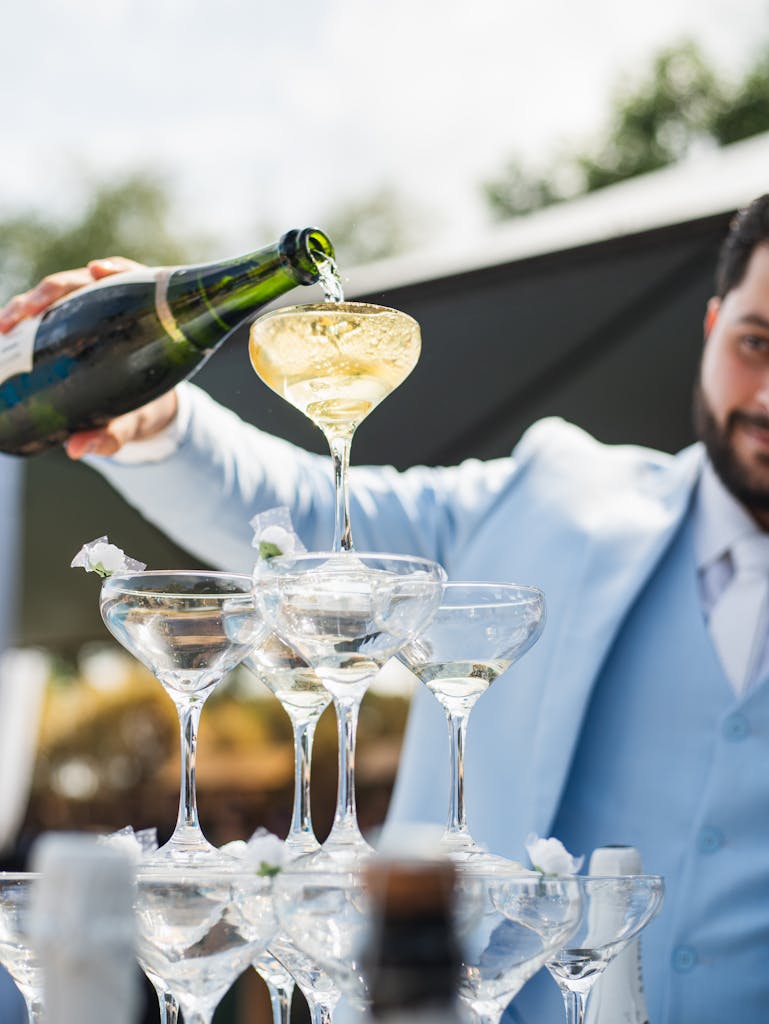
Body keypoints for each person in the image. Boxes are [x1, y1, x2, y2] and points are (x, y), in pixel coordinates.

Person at [4, 196, 769, 1022]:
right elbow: (312, 526)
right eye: (756, 342)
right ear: (710, 324)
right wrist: (160, 418)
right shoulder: (556, 495)